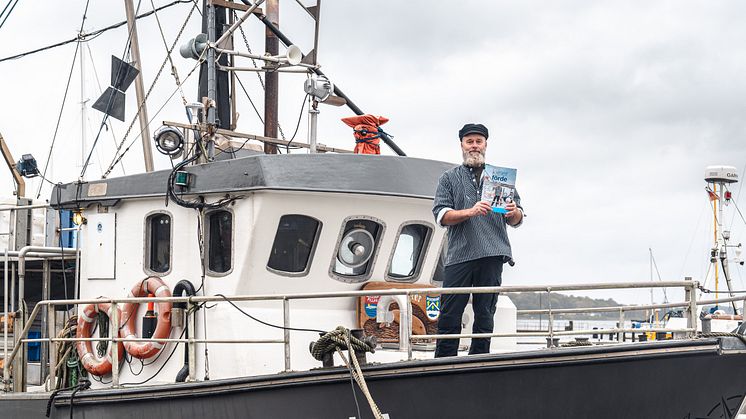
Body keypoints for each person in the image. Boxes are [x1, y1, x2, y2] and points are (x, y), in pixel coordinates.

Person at [431, 123, 524, 357]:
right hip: (459, 255)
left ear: (485, 144)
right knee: (450, 313)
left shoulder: (501, 177)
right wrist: (469, 211)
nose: (474, 146)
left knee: (485, 314)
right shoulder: (448, 178)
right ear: (462, 145)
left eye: (478, 141)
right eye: (469, 141)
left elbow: (518, 218)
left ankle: (479, 361)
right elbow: (441, 215)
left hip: (493, 253)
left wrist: (513, 211)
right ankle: (442, 363)